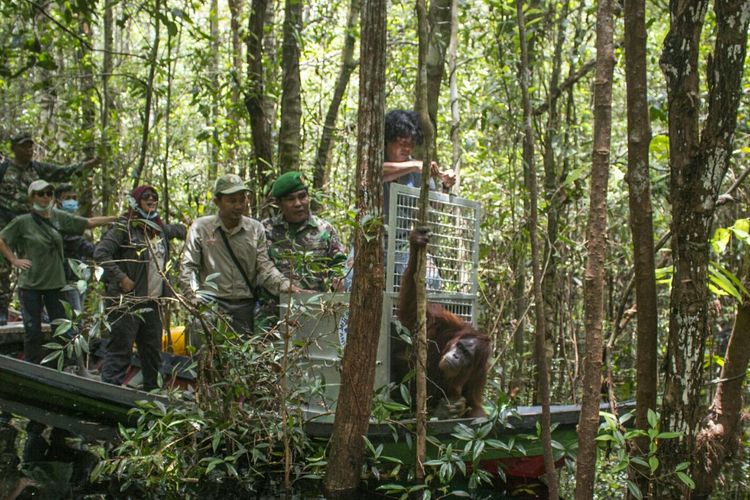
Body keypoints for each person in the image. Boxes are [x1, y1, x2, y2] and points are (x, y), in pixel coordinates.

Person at [0, 180, 115, 364]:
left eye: (48, 193)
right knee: (33, 331)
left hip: (55, 283)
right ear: (32, 197)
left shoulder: (58, 217)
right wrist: (14, 260)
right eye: (41, 193)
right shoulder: (22, 222)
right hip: (30, 284)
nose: (45, 197)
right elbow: (2, 239)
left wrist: (117, 219)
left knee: (62, 329)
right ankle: (32, 367)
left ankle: (64, 367)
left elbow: (89, 223)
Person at [180, 174, 302, 336]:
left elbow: (264, 267)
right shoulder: (201, 228)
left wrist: (285, 285)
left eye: (242, 199)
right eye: (232, 201)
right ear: (217, 201)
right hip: (211, 305)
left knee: (242, 357)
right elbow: (188, 266)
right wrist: (192, 297)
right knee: (204, 354)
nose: (238, 206)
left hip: (244, 308)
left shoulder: (255, 229)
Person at [0, 132, 99, 325]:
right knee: (3, 267)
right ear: (14, 148)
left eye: (31, 146)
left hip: (32, 224)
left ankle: (43, 311)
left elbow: (61, 172)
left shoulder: (37, 169)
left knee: (38, 263)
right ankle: (2, 310)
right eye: (24, 146)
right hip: (5, 221)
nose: (29, 150)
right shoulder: (4, 170)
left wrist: (87, 165)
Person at [94, 185, 186, 392]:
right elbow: (101, 253)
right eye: (146, 196)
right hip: (126, 302)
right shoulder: (124, 227)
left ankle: (153, 397)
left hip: (151, 302)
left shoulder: (158, 228)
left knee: (152, 352)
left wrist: (195, 227)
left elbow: (177, 230)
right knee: (120, 350)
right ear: (136, 201)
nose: (151, 199)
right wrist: (121, 278)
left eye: (155, 196)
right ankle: (107, 395)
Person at [55, 183, 95, 312]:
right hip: (65, 278)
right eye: (67, 198)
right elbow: (79, 244)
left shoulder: (74, 222)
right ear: (58, 201)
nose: (72, 201)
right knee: (73, 316)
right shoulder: (57, 221)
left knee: (78, 314)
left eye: (74, 197)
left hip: (78, 277)